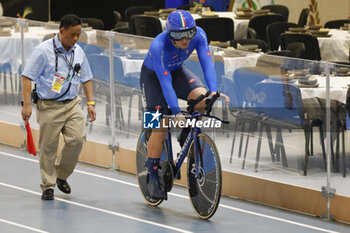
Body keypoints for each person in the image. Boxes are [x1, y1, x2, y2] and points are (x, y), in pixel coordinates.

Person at [140, 10, 229, 199]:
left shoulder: (200, 35)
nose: (185, 40)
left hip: (176, 71)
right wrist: (175, 113)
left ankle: (187, 136)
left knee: (203, 100)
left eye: (189, 33)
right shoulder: (158, 45)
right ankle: (153, 175)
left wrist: (213, 91)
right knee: (160, 126)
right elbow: (165, 84)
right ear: (169, 33)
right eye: (178, 35)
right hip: (153, 78)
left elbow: (207, 64)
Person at [21, 14, 96, 200]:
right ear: (61, 31)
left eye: (79, 34)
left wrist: (91, 103)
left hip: (72, 104)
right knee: (48, 148)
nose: (76, 39)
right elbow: (27, 77)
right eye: (73, 34)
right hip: (49, 106)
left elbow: (86, 78)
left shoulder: (78, 51)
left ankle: (61, 174)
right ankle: (48, 186)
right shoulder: (43, 51)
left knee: (77, 139)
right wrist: (27, 106)